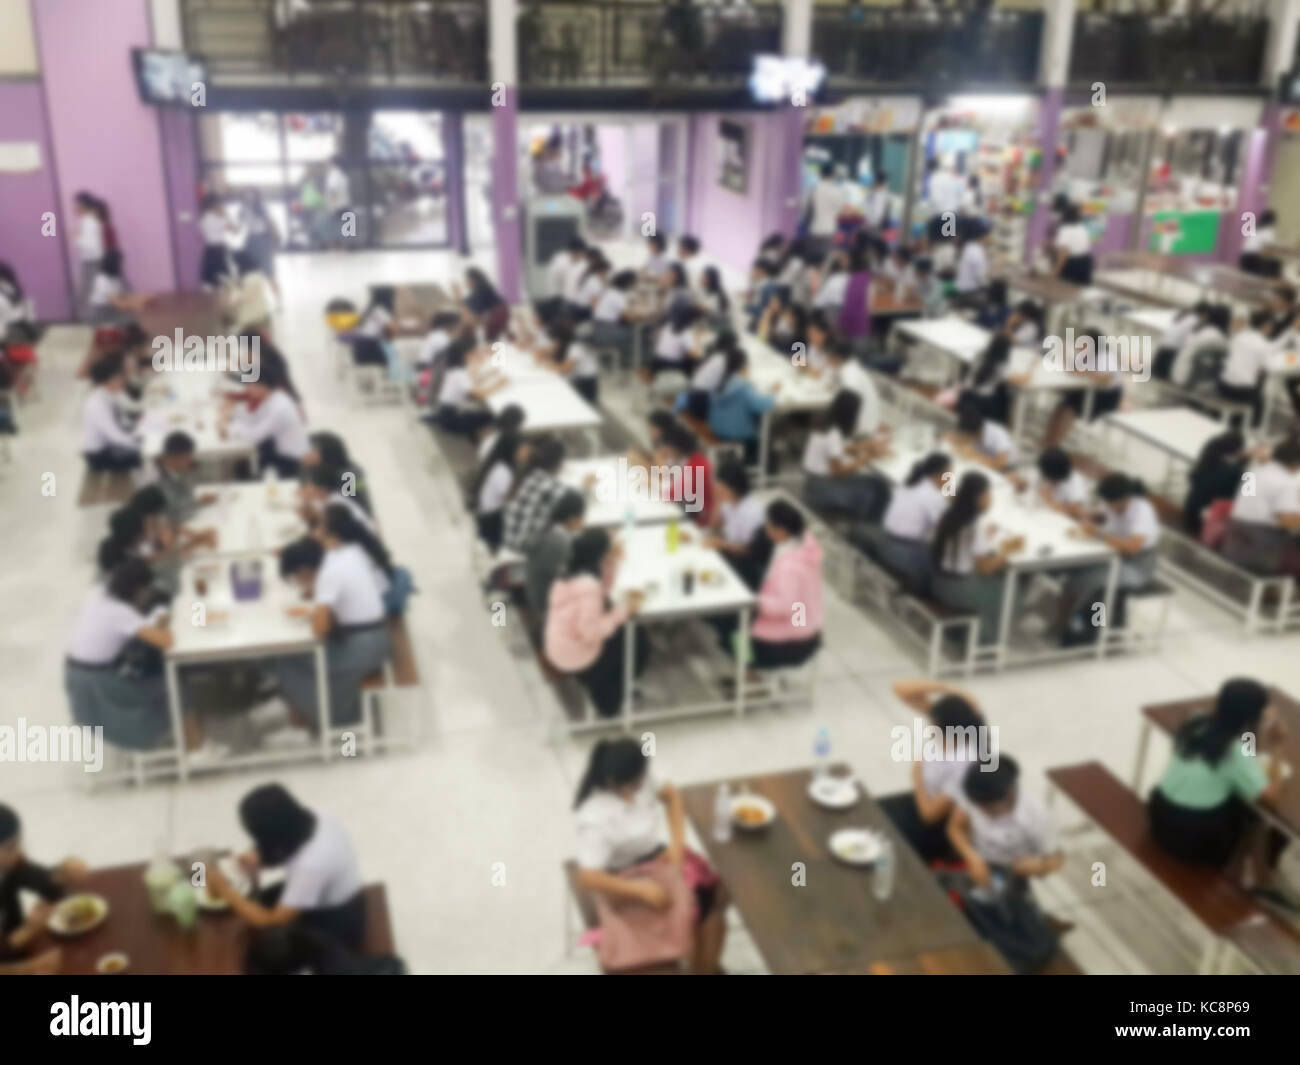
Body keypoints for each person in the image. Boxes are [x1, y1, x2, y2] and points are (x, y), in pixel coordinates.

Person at [571, 738, 727, 973]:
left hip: (656, 857)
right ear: (612, 782)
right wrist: (641, 890)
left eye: (643, 775)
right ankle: (697, 961)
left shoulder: (639, 779)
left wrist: (677, 844)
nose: (643, 783)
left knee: (715, 899)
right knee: (685, 910)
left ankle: (705, 967)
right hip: (622, 876)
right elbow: (589, 877)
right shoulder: (594, 817)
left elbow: (672, 795)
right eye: (636, 781)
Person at [1148, 679, 1290, 894]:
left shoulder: (1195, 723)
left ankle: (1248, 870)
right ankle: (1253, 880)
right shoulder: (1235, 752)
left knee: (1240, 800)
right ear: (1253, 716)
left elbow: (1248, 751)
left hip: (1159, 816)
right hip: (1191, 837)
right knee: (1257, 816)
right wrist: (1278, 747)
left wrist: (1254, 730)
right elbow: (1272, 797)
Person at [65, 559, 219, 755]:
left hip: (76, 679)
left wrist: (153, 620)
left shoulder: (98, 593)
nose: (148, 595)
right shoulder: (120, 613)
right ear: (138, 591)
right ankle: (198, 751)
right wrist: (163, 616)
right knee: (174, 686)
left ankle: (189, 739)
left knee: (161, 675)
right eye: (147, 590)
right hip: (100, 686)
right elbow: (167, 641)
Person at [206, 784, 367, 952]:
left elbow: (273, 920)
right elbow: (290, 845)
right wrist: (260, 856)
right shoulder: (312, 815)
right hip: (330, 893)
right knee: (258, 901)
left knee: (263, 953)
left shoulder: (310, 866)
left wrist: (226, 891)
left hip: (337, 922)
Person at [272, 522, 391, 735]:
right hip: (376, 634)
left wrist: (316, 604)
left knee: (286, 657)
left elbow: (319, 631)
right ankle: (306, 710)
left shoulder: (327, 576)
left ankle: (328, 719)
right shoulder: (340, 558)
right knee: (295, 658)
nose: (299, 584)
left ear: (306, 571)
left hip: (365, 645)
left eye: (297, 578)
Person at [878, 680, 987, 863]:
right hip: (922, 800)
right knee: (872, 810)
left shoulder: (965, 764)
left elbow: (930, 816)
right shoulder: (951, 725)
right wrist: (950, 689)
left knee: (879, 834)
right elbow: (900, 689)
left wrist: (917, 777)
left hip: (940, 826)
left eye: (933, 726)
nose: (929, 729)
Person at [544, 529, 649, 718]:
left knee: (625, 631)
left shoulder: (568, 573)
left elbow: (605, 590)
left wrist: (611, 562)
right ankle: (609, 699)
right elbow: (590, 634)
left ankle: (610, 686)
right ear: (600, 555)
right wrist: (622, 613)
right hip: (576, 654)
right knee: (638, 640)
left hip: (557, 645)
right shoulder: (588, 587)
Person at [947, 756, 1064, 906]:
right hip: (976, 859)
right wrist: (972, 857)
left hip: (1011, 871)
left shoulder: (1036, 815)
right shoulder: (975, 796)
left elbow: (1056, 859)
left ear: (1010, 794)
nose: (981, 811)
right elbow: (955, 827)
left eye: (988, 808)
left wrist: (1039, 867)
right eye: (978, 806)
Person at [1062, 473, 1160, 641]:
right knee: (1076, 576)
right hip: (1114, 557)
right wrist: (1087, 519)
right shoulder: (1112, 503)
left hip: (1137, 566)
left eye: (1111, 503)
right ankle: (1069, 623)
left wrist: (1099, 534)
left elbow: (1133, 548)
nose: (1108, 506)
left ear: (1125, 498)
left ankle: (1094, 630)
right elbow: (1098, 515)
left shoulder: (1142, 511)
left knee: (1096, 585)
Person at [932, 471, 1023, 646]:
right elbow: (985, 568)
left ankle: (976, 630)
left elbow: (967, 545)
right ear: (979, 497)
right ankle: (988, 640)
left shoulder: (951, 514)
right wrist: (1007, 551)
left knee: (996, 582)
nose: (990, 499)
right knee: (1011, 588)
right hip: (957, 589)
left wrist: (986, 538)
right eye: (988, 494)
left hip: (939, 580)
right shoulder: (976, 524)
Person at [0, 805, 88, 975]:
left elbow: (43, 882)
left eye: (19, 843)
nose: (18, 852)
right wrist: (28, 968)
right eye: (11, 847)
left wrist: (62, 874)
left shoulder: (11, 864)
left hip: (21, 951)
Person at [742, 501, 823, 669]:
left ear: (782, 531)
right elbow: (795, 606)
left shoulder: (791, 567)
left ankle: (750, 676)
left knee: (734, 631)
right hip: (804, 623)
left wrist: (755, 602)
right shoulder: (802, 546)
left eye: (769, 526)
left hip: (795, 638)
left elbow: (786, 606)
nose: (765, 529)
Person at [870, 451, 951, 594]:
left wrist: (947, 495)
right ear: (940, 475)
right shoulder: (933, 497)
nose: (950, 479)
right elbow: (946, 527)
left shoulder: (909, 483)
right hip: (907, 548)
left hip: (888, 535)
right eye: (949, 475)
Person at [1221, 437, 1300, 577]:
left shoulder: (1254, 469)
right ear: (1295, 463)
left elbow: (1248, 496)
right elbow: (1286, 520)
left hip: (1235, 529)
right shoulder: (1286, 482)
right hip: (1260, 541)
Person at [801, 391, 885, 519]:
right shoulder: (834, 434)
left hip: (810, 483)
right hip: (823, 489)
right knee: (875, 486)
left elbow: (835, 449)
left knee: (872, 481)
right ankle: (862, 526)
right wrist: (866, 459)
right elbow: (838, 472)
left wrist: (867, 445)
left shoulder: (823, 424)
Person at [225, 358, 310, 477]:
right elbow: (254, 418)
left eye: (250, 385)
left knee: (240, 469)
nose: (247, 389)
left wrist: (231, 425)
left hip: (289, 463)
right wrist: (233, 414)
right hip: (277, 454)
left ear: (261, 386)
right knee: (240, 466)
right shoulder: (273, 398)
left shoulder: (279, 407)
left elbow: (255, 436)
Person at [1042, 329, 1125, 448]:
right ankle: (1048, 440)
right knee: (1062, 405)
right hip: (1091, 391)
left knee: (1070, 409)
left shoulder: (1106, 357)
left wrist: (1084, 372)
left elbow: (1106, 379)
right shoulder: (1087, 355)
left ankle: (1053, 445)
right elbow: (1072, 369)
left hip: (1107, 397)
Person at [524, 490, 586, 645]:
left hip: (533, 588)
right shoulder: (560, 542)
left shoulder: (551, 529)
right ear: (573, 519)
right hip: (543, 601)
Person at [704, 348, 777, 467]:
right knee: (767, 446)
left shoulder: (719, 380)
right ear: (743, 366)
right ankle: (755, 471)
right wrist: (772, 394)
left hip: (716, 428)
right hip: (739, 434)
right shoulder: (742, 387)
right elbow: (762, 406)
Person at [705, 460, 770, 590]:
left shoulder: (752, 511)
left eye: (721, 487)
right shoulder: (729, 502)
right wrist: (717, 501)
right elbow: (713, 526)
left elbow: (749, 550)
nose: (717, 489)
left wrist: (720, 544)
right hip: (731, 555)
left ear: (734, 487)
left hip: (747, 566)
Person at [503, 434, 567, 553]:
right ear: (560, 464)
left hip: (505, 540)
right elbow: (571, 510)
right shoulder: (553, 487)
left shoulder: (526, 474)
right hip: (522, 549)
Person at [81, 354, 142, 472]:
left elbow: (131, 407)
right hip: (100, 454)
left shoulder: (112, 392)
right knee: (142, 458)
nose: (123, 381)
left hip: (112, 443)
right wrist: (140, 445)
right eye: (119, 378)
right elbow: (115, 436)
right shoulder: (96, 404)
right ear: (107, 381)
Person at [1183, 430, 1248, 540]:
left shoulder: (1209, 457)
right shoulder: (1232, 471)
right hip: (1209, 519)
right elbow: (1246, 490)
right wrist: (1245, 463)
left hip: (1192, 510)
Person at [433, 337, 503, 437]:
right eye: (473, 354)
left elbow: (473, 381)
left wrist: (488, 375)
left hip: (446, 412)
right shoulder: (460, 374)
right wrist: (500, 384)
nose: (475, 355)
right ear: (464, 356)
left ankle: (478, 432)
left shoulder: (456, 369)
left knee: (485, 413)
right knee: (493, 416)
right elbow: (480, 394)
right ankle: (479, 437)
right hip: (451, 420)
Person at [1217, 308, 1274, 428]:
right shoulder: (1264, 344)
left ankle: (1233, 420)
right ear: (1266, 326)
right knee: (1260, 395)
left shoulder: (1239, 336)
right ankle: (1249, 426)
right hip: (1241, 392)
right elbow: (1268, 367)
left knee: (1250, 382)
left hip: (1223, 385)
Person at [471, 429, 525, 551]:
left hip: (487, 509)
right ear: (512, 450)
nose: (524, 453)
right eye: (522, 449)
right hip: (489, 516)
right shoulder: (503, 472)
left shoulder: (498, 464)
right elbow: (508, 499)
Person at [949, 397, 1017, 471]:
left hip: (1005, 467)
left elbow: (1002, 462)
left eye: (968, 436)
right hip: (984, 460)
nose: (965, 438)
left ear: (976, 434)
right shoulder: (971, 428)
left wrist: (978, 458)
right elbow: (956, 440)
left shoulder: (997, 433)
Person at [1033, 447, 1089, 521]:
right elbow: (1032, 489)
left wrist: (1049, 500)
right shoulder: (1045, 470)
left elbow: (1076, 511)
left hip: (1061, 520)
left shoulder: (1076, 482)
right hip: (1039, 514)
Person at [74, 192, 106, 318]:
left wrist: (77, 237)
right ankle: (90, 319)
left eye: (76, 205)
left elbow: (92, 246)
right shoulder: (90, 220)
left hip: (93, 261)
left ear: (83, 206)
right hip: (92, 261)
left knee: (87, 292)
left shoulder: (89, 222)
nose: (74, 208)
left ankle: (89, 320)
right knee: (89, 292)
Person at [649, 302, 701, 379]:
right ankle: (692, 383)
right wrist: (697, 343)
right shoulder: (685, 331)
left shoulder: (668, 326)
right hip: (673, 365)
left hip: (657, 362)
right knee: (694, 361)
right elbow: (694, 355)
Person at [198, 193, 237, 289]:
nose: (223, 205)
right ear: (214, 204)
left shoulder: (205, 217)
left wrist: (224, 216)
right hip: (216, 250)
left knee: (215, 281)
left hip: (212, 250)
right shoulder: (212, 218)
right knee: (221, 280)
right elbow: (235, 230)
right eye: (221, 203)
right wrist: (227, 215)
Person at [461, 268, 510, 342]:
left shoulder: (481, 293)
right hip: (494, 324)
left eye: (467, 281)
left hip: (492, 325)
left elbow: (476, 315)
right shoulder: (485, 290)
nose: (466, 283)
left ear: (473, 281)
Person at [807, 162, 845, 255]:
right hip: (829, 231)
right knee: (824, 262)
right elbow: (840, 211)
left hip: (814, 230)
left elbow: (807, 210)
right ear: (833, 175)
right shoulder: (837, 192)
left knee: (812, 261)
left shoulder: (814, 189)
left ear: (820, 174)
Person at [1052, 203, 1093, 284]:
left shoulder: (1065, 229)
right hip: (1085, 262)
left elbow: (1063, 254)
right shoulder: (1081, 228)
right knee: (1080, 290)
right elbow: (1077, 245)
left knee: (1066, 291)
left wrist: (1056, 273)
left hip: (1072, 264)